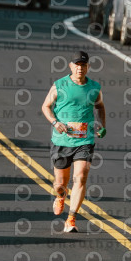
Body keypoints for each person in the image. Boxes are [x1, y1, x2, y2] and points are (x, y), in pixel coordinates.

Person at [41, 51, 106, 232]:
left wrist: (101, 125)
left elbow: (100, 107)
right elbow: (46, 106)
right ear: (71, 66)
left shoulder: (94, 87)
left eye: (83, 65)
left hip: (84, 140)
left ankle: (71, 219)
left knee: (81, 177)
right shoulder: (59, 85)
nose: (80, 68)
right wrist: (55, 123)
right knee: (60, 184)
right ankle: (61, 196)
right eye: (77, 65)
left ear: (88, 67)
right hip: (61, 141)